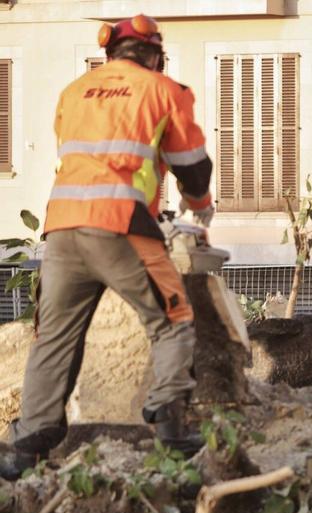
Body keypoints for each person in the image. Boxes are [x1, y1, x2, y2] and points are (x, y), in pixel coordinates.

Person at [1, 15, 214, 480]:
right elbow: (192, 166)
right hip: (121, 225)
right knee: (172, 318)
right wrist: (201, 210)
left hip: (61, 229)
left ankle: (26, 447)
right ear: (155, 54)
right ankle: (171, 425)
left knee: (53, 339)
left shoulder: (74, 92)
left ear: (109, 54)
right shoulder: (162, 90)